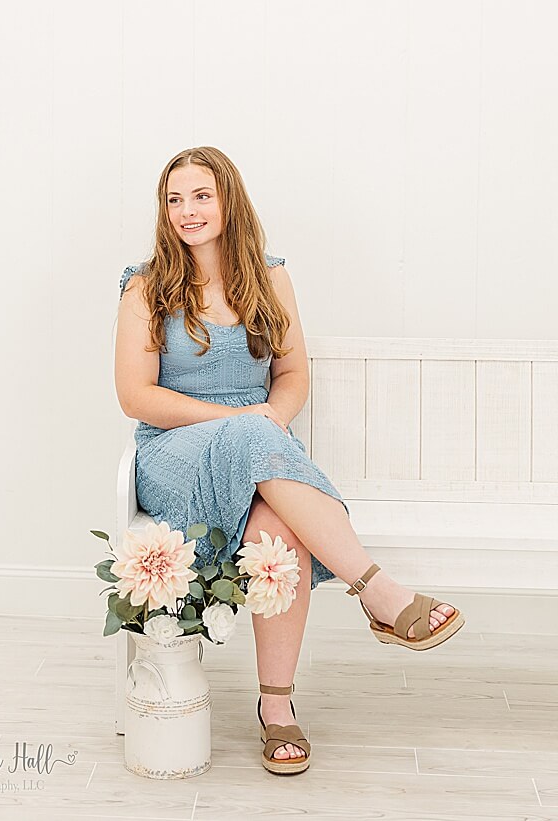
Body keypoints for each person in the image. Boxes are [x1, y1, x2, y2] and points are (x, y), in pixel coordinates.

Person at [112, 146, 464, 776]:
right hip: (175, 452)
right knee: (254, 442)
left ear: (228, 202)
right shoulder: (145, 287)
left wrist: (268, 416)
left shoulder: (269, 278)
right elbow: (137, 397)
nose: (187, 211)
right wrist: (241, 422)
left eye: (201, 196)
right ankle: (377, 591)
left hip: (259, 443)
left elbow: (293, 373)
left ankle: (277, 710)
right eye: (174, 199)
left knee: (279, 535)